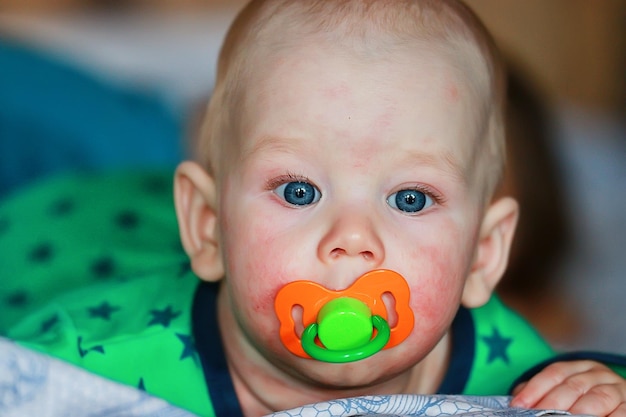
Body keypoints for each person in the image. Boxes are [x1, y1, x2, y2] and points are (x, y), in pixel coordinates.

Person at [1, 1, 625, 417]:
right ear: (209, 227)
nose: (352, 239)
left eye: (410, 199)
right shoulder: (90, 363)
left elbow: (586, 383)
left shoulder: (503, 366)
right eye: (299, 191)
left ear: (484, 256)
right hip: (55, 228)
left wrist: (601, 384)